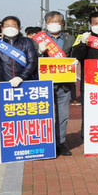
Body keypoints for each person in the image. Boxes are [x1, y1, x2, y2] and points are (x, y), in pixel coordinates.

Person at [35, 11, 76, 155]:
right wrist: (40, 52)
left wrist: (75, 62)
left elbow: (73, 56)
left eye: (57, 21)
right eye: (51, 21)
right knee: (45, 115)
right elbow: (32, 59)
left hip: (64, 84)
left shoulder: (69, 39)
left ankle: (61, 143)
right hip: (44, 84)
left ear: (62, 23)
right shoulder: (38, 39)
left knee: (63, 115)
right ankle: (46, 143)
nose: (54, 23)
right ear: (45, 23)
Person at [0, 16, 39, 84]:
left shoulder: (27, 42)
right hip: (5, 82)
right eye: (7, 26)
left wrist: (21, 77)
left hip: (25, 81)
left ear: (19, 28)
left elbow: (32, 62)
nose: (10, 28)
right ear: (2, 28)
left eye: (13, 26)